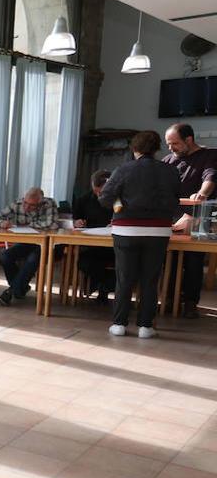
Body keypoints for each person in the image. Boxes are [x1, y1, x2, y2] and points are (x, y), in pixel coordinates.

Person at [100, 130, 181, 339]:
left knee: (124, 278)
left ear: (134, 148)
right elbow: (175, 201)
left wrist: (119, 207)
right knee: (150, 279)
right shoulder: (171, 171)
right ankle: (146, 326)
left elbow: (106, 198)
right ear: (156, 149)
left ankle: (119, 324)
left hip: (126, 229)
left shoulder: (123, 169)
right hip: (159, 230)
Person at [163, 123, 216, 318]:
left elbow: (210, 177)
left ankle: (190, 302)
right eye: (168, 144)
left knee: (193, 261)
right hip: (172, 217)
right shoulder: (169, 160)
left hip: (198, 217)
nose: (171, 148)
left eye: (174, 143)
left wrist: (201, 194)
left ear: (189, 140)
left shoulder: (210, 155)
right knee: (169, 259)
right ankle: (168, 299)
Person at [0, 187, 59, 306]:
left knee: (32, 259)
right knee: (5, 255)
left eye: (32, 205)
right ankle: (20, 288)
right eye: (25, 203)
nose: (26, 207)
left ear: (40, 203)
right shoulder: (17, 204)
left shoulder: (49, 203)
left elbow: (52, 224)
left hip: (44, 244)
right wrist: (3, 223)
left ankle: (11, 292)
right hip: (26, 243)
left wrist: (28, 225)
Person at [73, 169, 116, 301]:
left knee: (128, 266)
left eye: (101, 192)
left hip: (115, 247)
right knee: (83, 263)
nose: (98, 195)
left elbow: (124, 216)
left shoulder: (119, 200)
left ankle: (103, 286)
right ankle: (104, 285)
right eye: (96, 191)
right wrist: (77, 222)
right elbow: (75, 219)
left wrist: (117, 223)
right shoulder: (84, 200)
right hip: (92, 246)